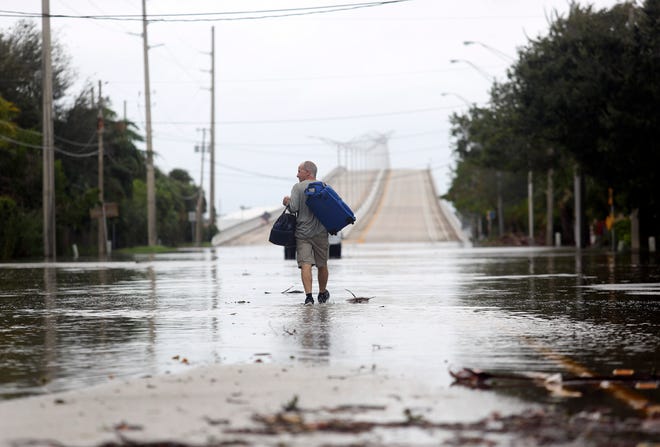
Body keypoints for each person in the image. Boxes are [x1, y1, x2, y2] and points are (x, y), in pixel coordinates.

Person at [282, 161, 330, 305]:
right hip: (321, 232)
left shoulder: (297, 187)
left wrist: (287, 202)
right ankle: (322, 294)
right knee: (322, 264)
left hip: (303, 233)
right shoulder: (324, 187)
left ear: (308, 172)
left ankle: (309, 297)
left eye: (299, 171)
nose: (297, 174)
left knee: (305, 264)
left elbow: (294, 208)